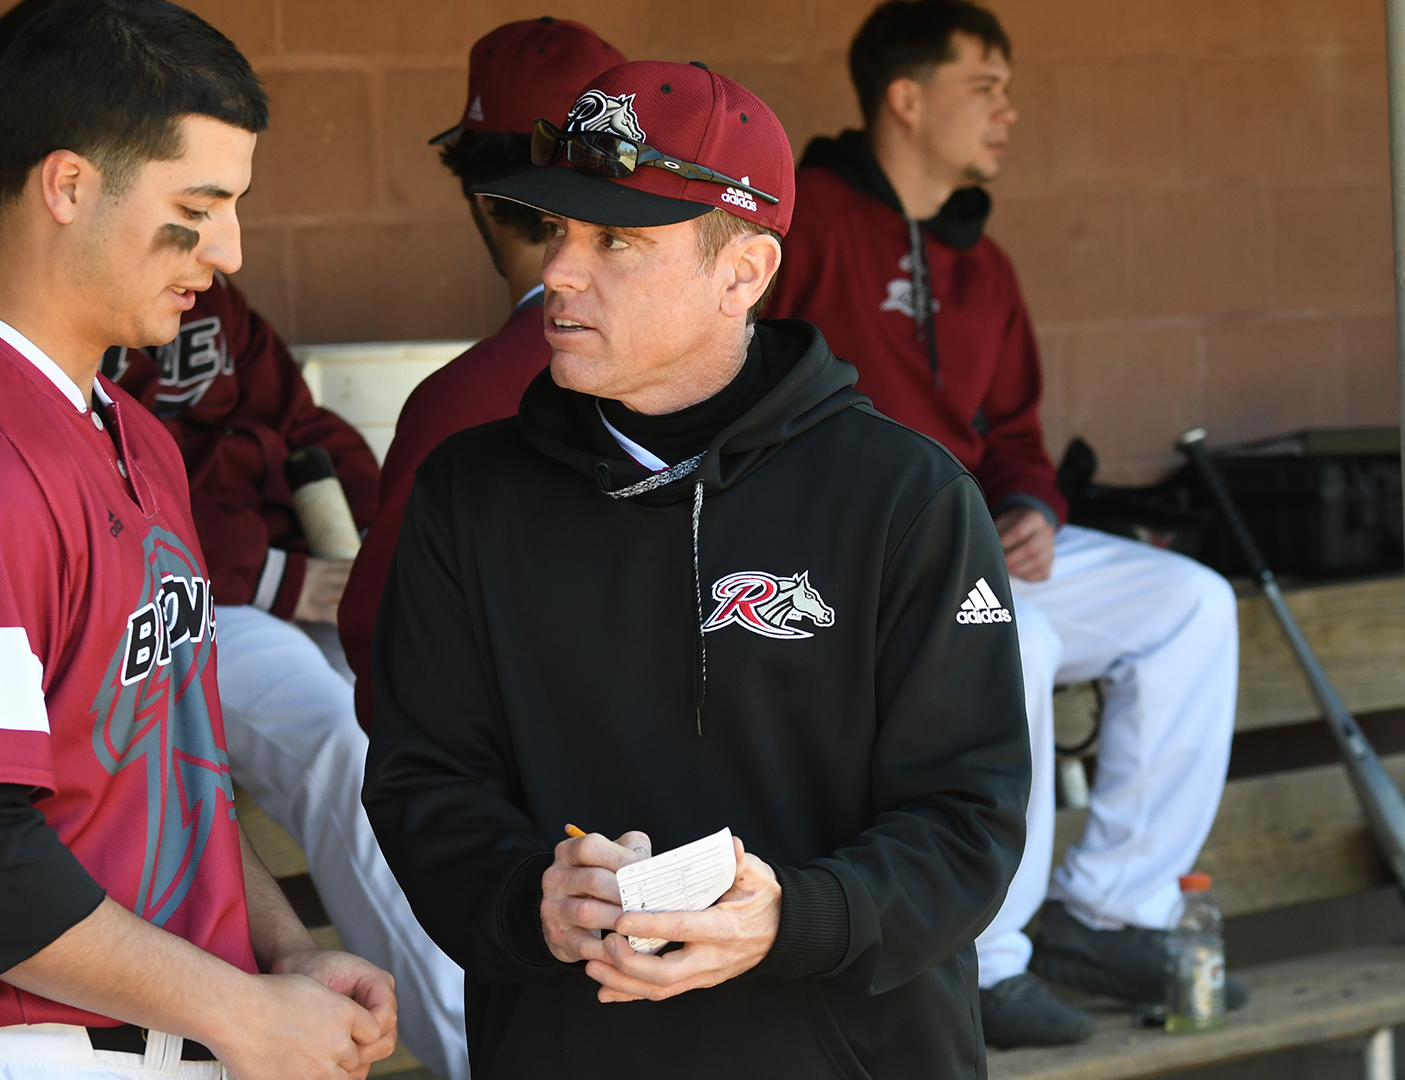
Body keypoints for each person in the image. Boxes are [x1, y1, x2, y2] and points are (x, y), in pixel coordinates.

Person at [362, 59, 1031, 1078]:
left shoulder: (907, 497)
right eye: (557, 230)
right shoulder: (467, 495)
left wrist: (792, 918)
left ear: (743, 274)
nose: (562, 271)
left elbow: (967, 821)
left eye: (617, 240)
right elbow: (425, 780)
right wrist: (530, 896)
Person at [0, 5, 470, 1076]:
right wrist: (242, 1012)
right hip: (28, 1052)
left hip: (179, 1033)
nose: (228, 251)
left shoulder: (131, 433)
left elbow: (166, 765)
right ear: (67, 185)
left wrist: (277, 953)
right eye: (197, 209)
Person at [763, 0, 1243, 1048]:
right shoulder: (808, 224)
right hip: (858, 556)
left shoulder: (984, 262)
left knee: (1191, 605)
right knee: (1013, 639)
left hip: (979, 533)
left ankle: (1110, 910)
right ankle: (985, 956)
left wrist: (1033, 507)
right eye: (984, 87)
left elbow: (1016, 431)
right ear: (906, 98)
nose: (1008, 112)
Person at [338, 17, 625, 729]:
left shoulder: (467, 396)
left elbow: (388, 645)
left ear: (485, 196)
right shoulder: (727, 356)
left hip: (532, 788)